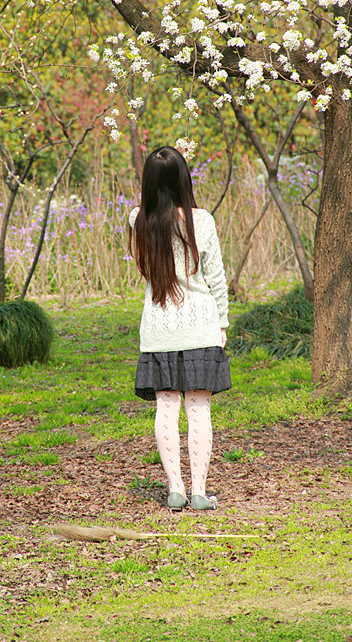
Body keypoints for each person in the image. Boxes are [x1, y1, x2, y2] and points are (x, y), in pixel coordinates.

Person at [129, 146, 230, 511]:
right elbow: (215, 279)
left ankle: (175, 488)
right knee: (199, 410)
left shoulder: (137, 219)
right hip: (200, 324)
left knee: (166, 407)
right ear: (183, 179)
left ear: (149, 182)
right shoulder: (201, 221)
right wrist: (222, 322)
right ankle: (200, 492)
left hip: (158, 328)